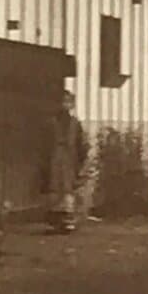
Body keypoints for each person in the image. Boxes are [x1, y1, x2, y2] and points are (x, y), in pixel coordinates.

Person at [45, 90, 91, 234]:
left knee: (68, 189)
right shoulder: (51, 123)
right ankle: (56, 220)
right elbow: (43, 144)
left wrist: (82, 160)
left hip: (70, 159)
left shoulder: (75, 124)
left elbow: (81, 144)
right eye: (63, 101)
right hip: (54, 158)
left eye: (69, 102)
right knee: (54, 188)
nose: (65, 105)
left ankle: (68, 219)